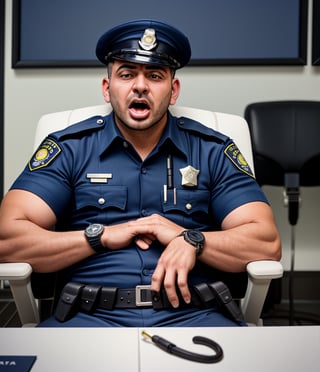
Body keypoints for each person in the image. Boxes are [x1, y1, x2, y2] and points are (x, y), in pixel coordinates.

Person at [0, 19, 281, 327]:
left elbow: (265, 242)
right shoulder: (69, 149)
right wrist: (101, 237)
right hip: (87, 318)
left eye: (155, 75)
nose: (140, 85)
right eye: (126, 74)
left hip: (195, 314)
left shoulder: (212, 150)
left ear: (173, 91)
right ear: (108, 89)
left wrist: (191, 239)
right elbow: (7, 240)